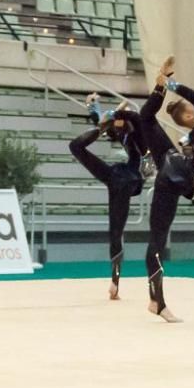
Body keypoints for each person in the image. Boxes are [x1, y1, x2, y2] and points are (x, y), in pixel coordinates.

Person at [137, 56, 194, 323]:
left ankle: (156, 300)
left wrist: (164, 84)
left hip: (176, 171)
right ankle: (157, 300)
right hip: (176, 176)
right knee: (157, 239)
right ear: (189, 117)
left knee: (146, 118)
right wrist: (168, 82)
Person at [68, 93, 153, 299]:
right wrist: (94, 107)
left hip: (129, 180)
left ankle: (115, 283)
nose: (117, 127)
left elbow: (133, 118)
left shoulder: (140, 137)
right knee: (75, 146)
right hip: (116, 177)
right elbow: (103, 120)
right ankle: (114, 285)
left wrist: (115, 112)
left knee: (116, 231)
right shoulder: (122, 133)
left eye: (118, 123)